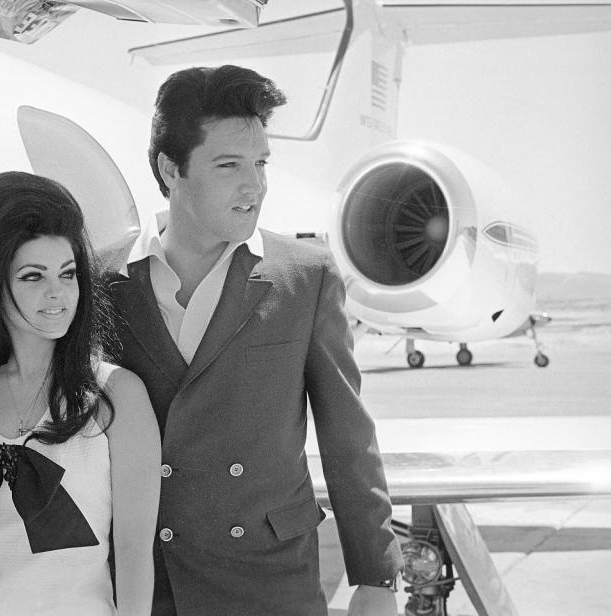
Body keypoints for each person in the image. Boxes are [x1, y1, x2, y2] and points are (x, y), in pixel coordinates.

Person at [103, 65, 403, 615]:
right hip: (146, 585)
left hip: (270, 581)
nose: (255, 185)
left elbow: (347, 438)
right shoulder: (101, 280)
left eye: (261, 163)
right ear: (171, 170)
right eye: (229, 165)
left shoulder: (305, 277)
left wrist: (376, 579)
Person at [0, 171, 161, 615]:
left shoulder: (116, 395)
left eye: (68, 274)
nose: (58, 294)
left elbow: (133, 554)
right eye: (33, 277)